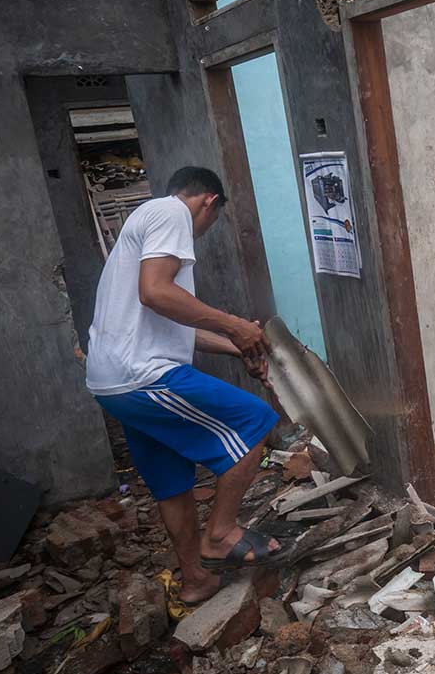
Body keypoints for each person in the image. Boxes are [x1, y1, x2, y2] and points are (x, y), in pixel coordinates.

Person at [86, 166, 288, 605]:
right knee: (255, 422)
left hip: (115, 383)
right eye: (210, 223)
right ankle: (220, 535)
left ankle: (196, 579)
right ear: (208, 203)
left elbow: (173, 323)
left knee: (170, 481)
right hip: (142, 375)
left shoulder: (142, 230)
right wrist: (235, 323)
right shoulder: (170, 212)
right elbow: (156, 294)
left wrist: (237, 346)